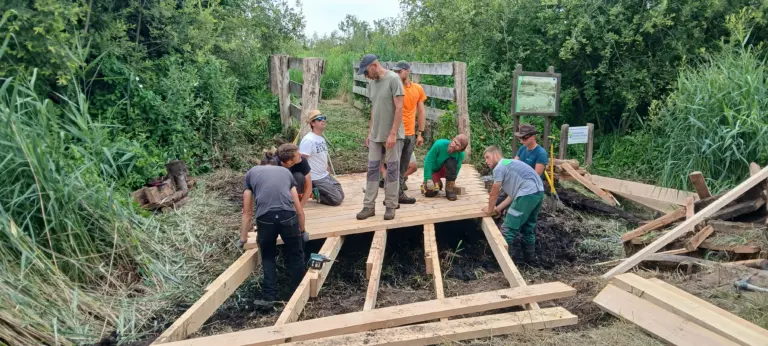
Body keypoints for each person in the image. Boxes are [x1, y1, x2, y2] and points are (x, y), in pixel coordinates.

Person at [238, 164, 306, 307]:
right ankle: (299, 293)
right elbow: (297, 207)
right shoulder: (286, 172)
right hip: (288, 216)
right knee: (296, 255)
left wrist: (243, 238)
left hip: (265, 218)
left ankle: (269, 297)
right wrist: (302, 230)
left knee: (268, 257)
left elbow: (247, 212)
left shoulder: (251, 174)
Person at [356, 54, 405, 220]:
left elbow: (399, 108)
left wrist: (392, 133)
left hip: (392, 135)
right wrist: (370, 132)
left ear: (374, 65)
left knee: (391, 170)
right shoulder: (372, 83)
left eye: (366, 71)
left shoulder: (393, 79)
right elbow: (374, 109)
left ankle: (391, 206)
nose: (365, 76)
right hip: (376, 135)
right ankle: (368, 206)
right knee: (372, 170)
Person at [482, 145, 545, 265]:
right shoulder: (509, 164)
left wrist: (489, 210)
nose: (486, 162)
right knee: (528, 227)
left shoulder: (499, 167)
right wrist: (498, 208)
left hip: (527, 193)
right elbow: (512, 195)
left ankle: (501, 263)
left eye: (488, 157)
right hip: (538, 193)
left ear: (496, 155)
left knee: (508, 228)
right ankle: (530, 261)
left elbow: (494, 193)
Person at [391, 60, 426, 202]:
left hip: (410, 133)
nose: (397, 74)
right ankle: (393, 195)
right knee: (394, 163)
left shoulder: (417, 89)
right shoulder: (393, 87)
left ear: (407, 71)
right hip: (396, 132)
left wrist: (420, 133)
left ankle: (398, 193)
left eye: (400, 71)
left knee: (405, 165)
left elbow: (421, 111)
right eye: (395, 72)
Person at [299, 110, 345, 206]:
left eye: (324, 118)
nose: (323, 121)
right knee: (337, 199)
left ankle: (319, 191)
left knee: (341, 195)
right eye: (319, 119)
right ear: (312, 123)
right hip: (315, 177)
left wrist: (328, 169)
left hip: (324, 174)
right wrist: (306, 181)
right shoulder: (308, 140)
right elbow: (301, 161)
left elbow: (322, 156)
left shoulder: (321, 138)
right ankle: (315, 192)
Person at [421, 134, 469, 201]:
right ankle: (436, 182)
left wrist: (452, 183)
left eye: (458, 145)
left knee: (451, 162)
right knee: (430, 193)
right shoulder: (439, 144)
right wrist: (427, 179)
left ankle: (449, 190)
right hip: (434, 170)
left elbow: (457, 169)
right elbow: (428, 161)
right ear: (452, 139)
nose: (454, 145)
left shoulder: (460, 154)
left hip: (446, 170)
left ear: (461, 149)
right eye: (454, 142)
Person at [273, 143, 312, 207]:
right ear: (289, 162)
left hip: (294, 186)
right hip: (278, 189)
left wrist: (299, 208)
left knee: (299, 176)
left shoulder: (302, 160)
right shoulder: (273, 165)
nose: (301, 154)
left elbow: (309, 187)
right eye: (298, 155)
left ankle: (295, 204)